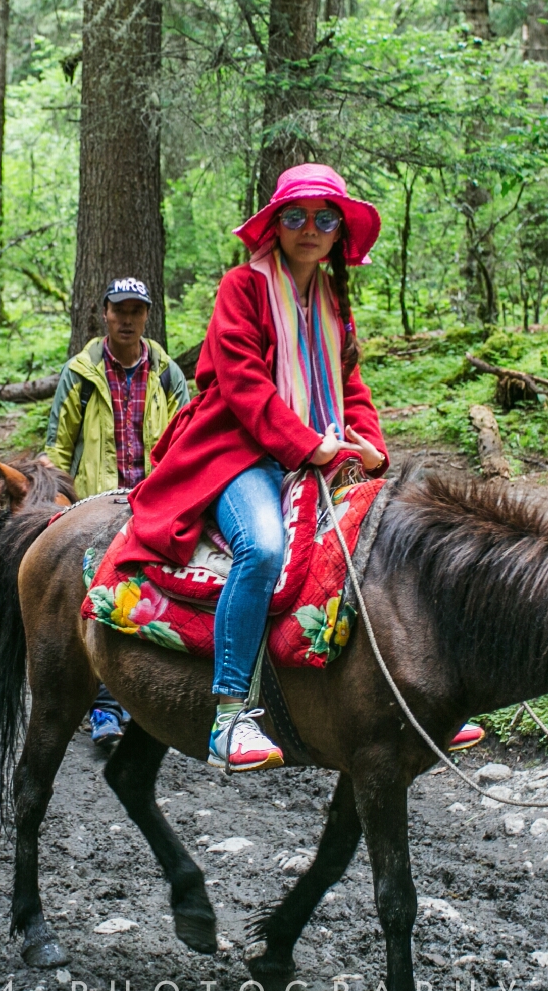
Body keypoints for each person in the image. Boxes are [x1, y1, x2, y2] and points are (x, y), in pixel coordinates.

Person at [123, 164, 482, 771]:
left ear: (340, 230)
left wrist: (367, 444)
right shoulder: (243, 286)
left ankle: (420, 698)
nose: (310, 228)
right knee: (261, 548)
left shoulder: (333, 298)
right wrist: (313, 447)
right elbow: (242, 384)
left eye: (324, 217)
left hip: (324, 448)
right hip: (239, 452)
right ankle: (230, 713)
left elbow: (350, 382)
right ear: (276, 225)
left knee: (399, 538)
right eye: (295, 216)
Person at [41, 276, 191, 748]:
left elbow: (188, 441)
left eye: (136, 311)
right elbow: (56, 450)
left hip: (156, 505)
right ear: (104, 312)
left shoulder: (167, 375)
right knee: (105, 603)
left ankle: (148, 702)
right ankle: (105, 708)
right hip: (98, 507)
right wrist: (58, 507)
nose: (127, 319)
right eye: (119, 310)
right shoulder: (81, 373)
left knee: (154, 599)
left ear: (147, 315)